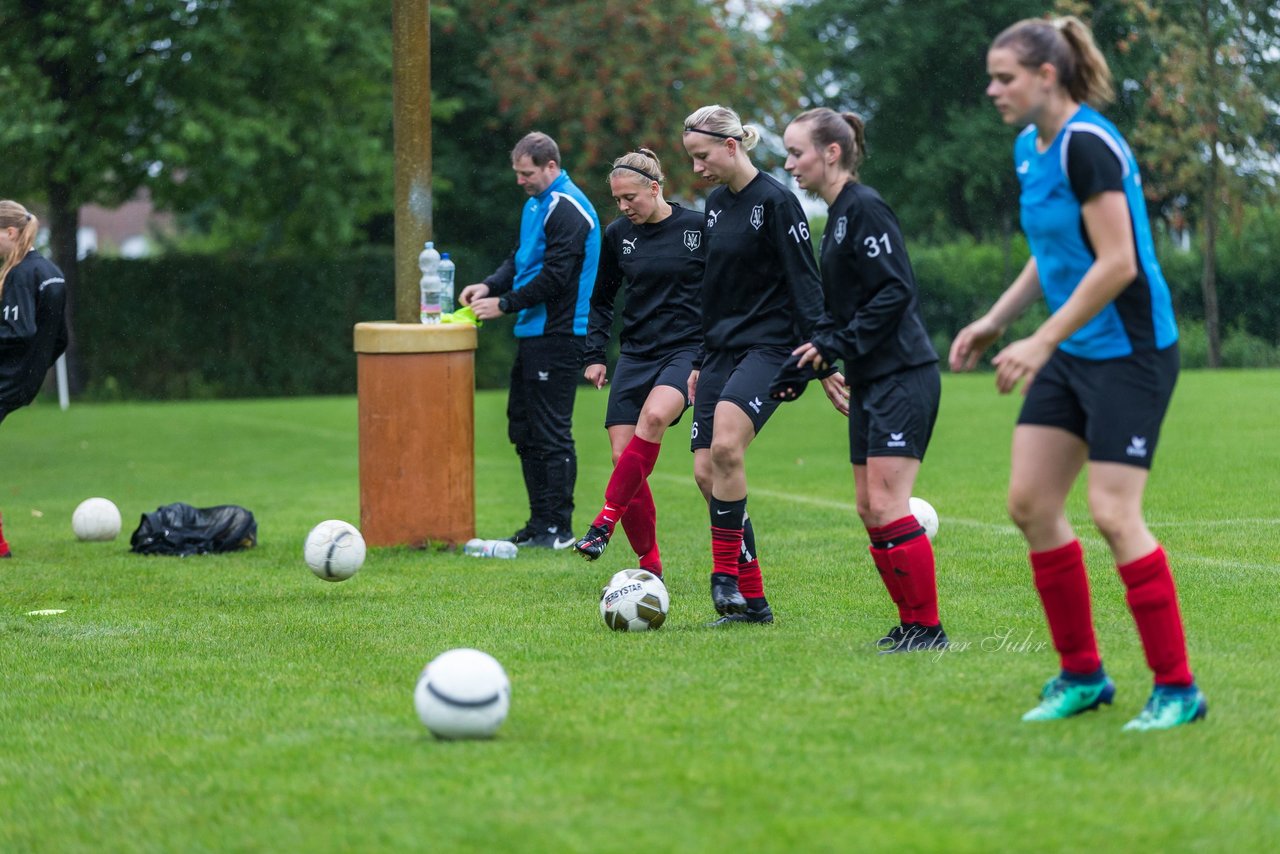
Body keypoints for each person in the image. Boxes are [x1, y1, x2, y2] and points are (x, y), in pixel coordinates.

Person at [950, 16, 1206, 730]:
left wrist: (1039, 342)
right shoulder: (1029, 149)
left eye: (1004, 77)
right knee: (1031, 505)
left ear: (1046, 76)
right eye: (992, 77)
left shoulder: (1087, 145)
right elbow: (1053, 252)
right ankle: (1082, 675)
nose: (993, 89)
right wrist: (998, 320)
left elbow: (1117, 261)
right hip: (1073, 349)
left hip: (1131, 353)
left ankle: (1178, 688)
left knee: (1113, 514)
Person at [777, 108, 947, 653]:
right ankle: (910, 624)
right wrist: (809, 363)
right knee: (868, 506)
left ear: (832, 152)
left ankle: (929, 628)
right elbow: (840, 312)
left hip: (903, 374)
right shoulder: (837, 218)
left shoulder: (866, 208)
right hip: (871, 380)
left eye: (796, 152)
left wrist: (835, 344)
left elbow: (895, 293)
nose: (788, 164)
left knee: (889, 502)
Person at [681, 104, 831, 625]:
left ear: (730, 146)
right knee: (706, 473)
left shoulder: (777, 201)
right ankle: (753, 600)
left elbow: (806, 283)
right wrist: (700, 357)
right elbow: (711, 291)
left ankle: (722, 577)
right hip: (720, 351)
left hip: (770, 349)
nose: (697, 169)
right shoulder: (717, 205)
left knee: (725, 445)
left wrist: (824, 356)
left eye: (702, 157)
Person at [460, 132, 601, 550]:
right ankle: (539, 524)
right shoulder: (535, 204)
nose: (521, 180)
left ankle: (558, 530)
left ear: (551, 167)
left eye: (528, 173)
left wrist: (504, 304)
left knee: (552, 432)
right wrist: (488, 286)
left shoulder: (568, 207)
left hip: (561, 333)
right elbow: (519, 259)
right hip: (534, 333)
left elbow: (557, 277)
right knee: (523, 428)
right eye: (518, 173)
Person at [572, 149, 704, 577]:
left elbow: (724, 293)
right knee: (621, 457)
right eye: (618, 200)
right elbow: (602, 299)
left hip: (686, 351)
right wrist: (595, 355)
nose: (625, 207)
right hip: (636, 354)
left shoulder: (698, 228)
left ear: (655, 187)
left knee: (652, 419)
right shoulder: (617, 236)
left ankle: (603, 521)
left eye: (631, 197)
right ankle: (650, 564)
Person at [0, 200, 69, 558]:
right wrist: (35, 372)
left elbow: (17, 331)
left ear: (10, 233)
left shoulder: (19, 274)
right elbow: (61, 339)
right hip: (27, 380)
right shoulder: (51, 270)